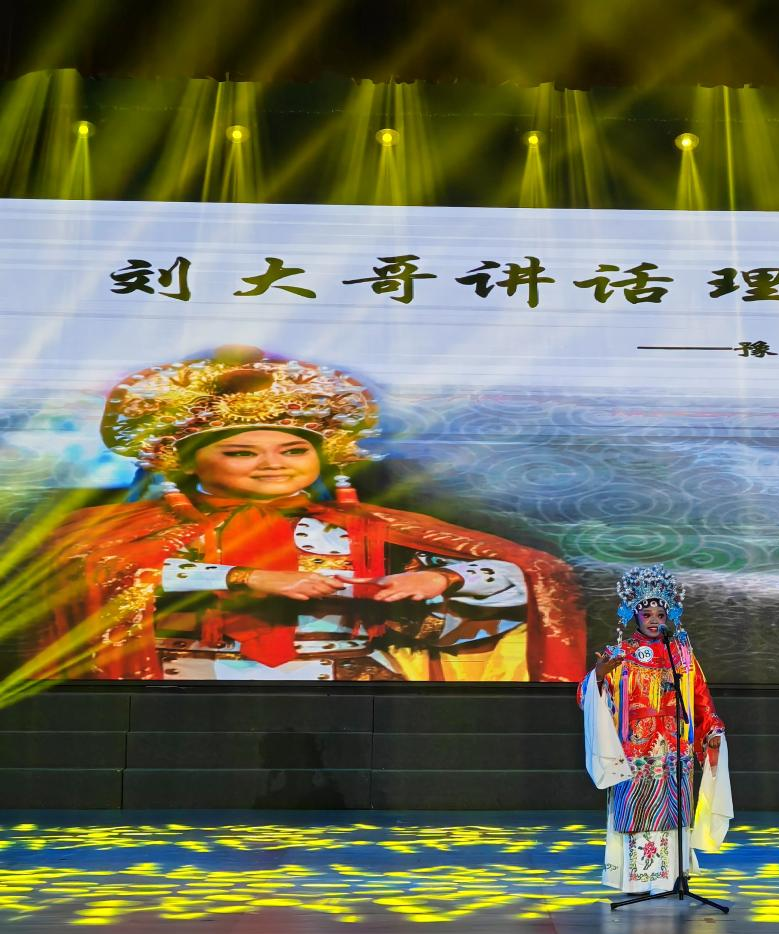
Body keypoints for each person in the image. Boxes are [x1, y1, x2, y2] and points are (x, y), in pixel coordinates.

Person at [33, 345, 586, 682]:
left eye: (293, 450)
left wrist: (442, 578)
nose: (273, 464)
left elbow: (533, 573)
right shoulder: (131, 529)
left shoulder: (367, 524)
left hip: (348, 681)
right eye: (242, 452)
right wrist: (245, 577)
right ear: (185, 462)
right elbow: (106, 574)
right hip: (188, 680)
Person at [578, 564, 729, 893]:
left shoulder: (681, 653)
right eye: (646, 614)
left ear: (669, 615)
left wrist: (711, 729)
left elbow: (699, 697)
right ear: (635, 615)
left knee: (674, 816)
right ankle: (639, 879)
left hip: (676, 752)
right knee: (639, 814)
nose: (654, 620)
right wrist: (599, 676)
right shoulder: (620, 655)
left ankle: (671, 879)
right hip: (636, 754)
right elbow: (586, 698)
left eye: (660, 614)